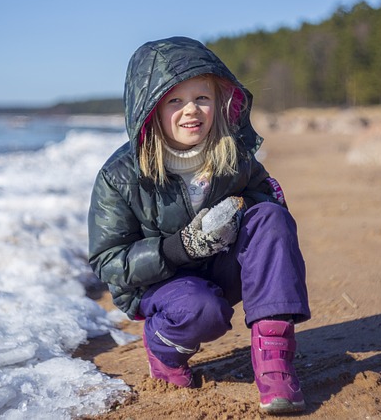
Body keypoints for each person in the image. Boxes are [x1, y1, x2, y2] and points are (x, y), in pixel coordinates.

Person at [88, 36, 310, 414]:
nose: (191, 110)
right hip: (161, 284)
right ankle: (163, 349)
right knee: (201, 309)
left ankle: (274, 360)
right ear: (150, 109)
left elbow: (268, 200)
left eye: (201, 98)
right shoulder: (119, 176)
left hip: (220, 265)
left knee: (271, 218)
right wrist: (180, 247)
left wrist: (237, 208)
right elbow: (108, 261)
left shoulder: (232, 152)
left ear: (219, 100)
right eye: (175, 100)